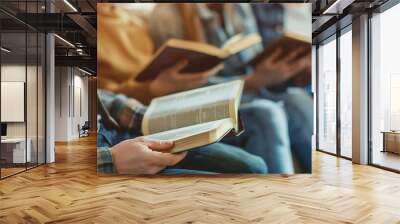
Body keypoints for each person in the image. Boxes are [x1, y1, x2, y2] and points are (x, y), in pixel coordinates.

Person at [148, 3, 312, 172]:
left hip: (248, 88)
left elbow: (252, 55)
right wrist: (254, 80)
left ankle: (316, 183)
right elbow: (183, 86)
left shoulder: (238, 7)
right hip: (208, 101)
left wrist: (287, 68)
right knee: (270, 112)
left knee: (295, 98)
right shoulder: (167, 16)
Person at [97, 90, 268, 175]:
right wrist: (110, 160)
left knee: (254, 166)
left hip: (115, 128)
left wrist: (145, 116)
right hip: (100, 156)